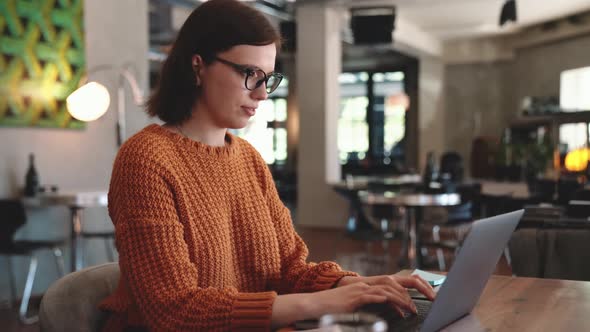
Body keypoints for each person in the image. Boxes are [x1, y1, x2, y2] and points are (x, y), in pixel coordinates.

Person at [99, 0, 435, 330]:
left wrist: (352, 284)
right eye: (250, 74)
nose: (262, 94)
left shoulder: (248, 158)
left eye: (269, 79)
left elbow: (289, 269)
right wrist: (318, 303)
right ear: (197, 65)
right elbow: (173, 312)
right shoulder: (146, 159)